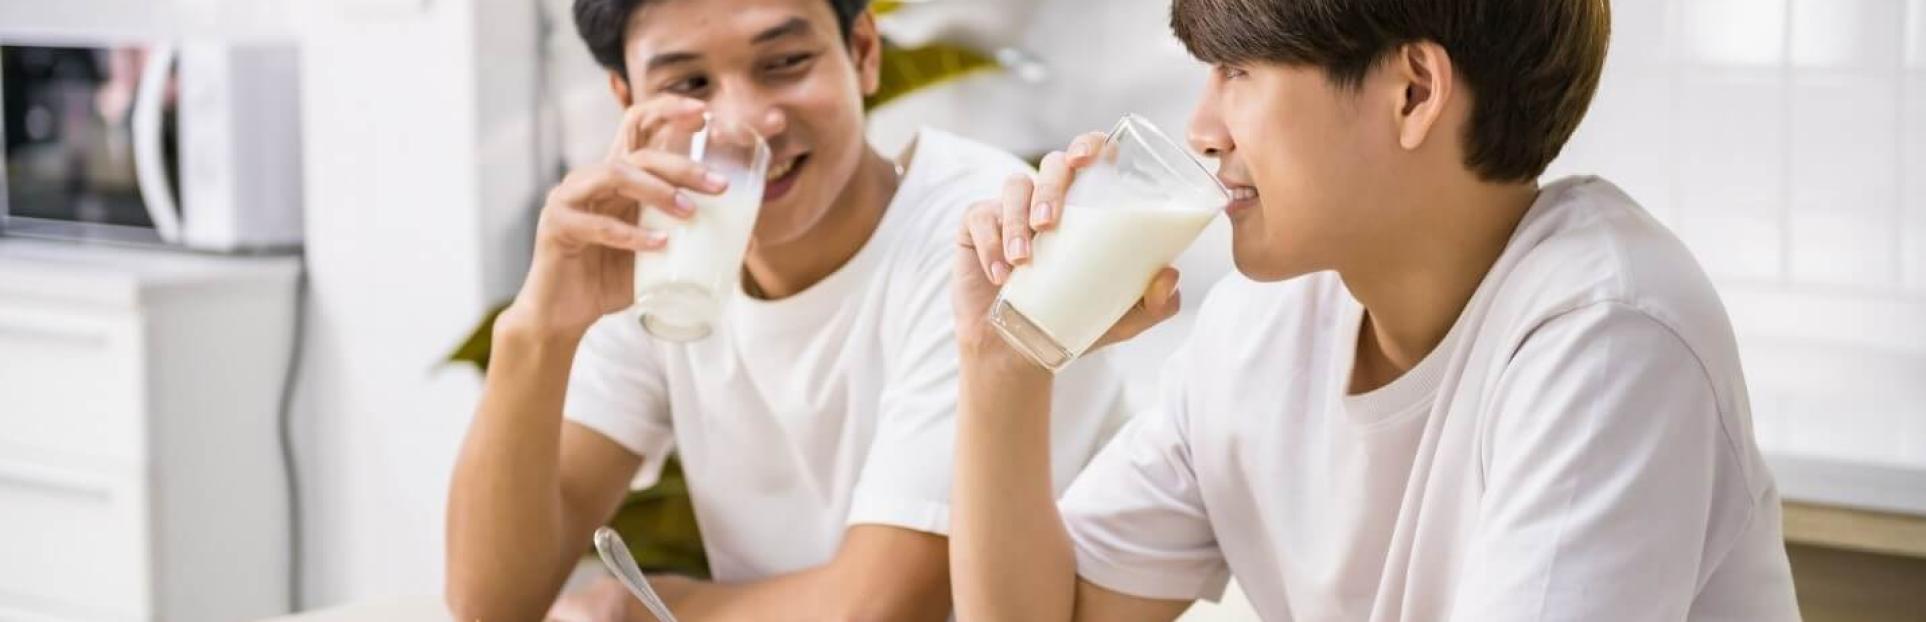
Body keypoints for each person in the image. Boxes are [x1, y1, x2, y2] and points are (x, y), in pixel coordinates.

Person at [947, 0, 1803, 620]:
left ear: (1412, 93)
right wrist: (1003, 361)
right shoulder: (1260, 333)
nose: (1202, 127)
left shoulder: (1610, 337)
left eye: (1240, 72)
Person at [443, 0, 1127, 619]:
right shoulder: (661, 251)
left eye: (785, 63)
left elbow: (887, 604)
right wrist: (538, 329)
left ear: (863, 51)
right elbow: (491, 601)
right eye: (688, 85)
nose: (747, 123)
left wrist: (649, 606)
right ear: (627, 100)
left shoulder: (978, 234)